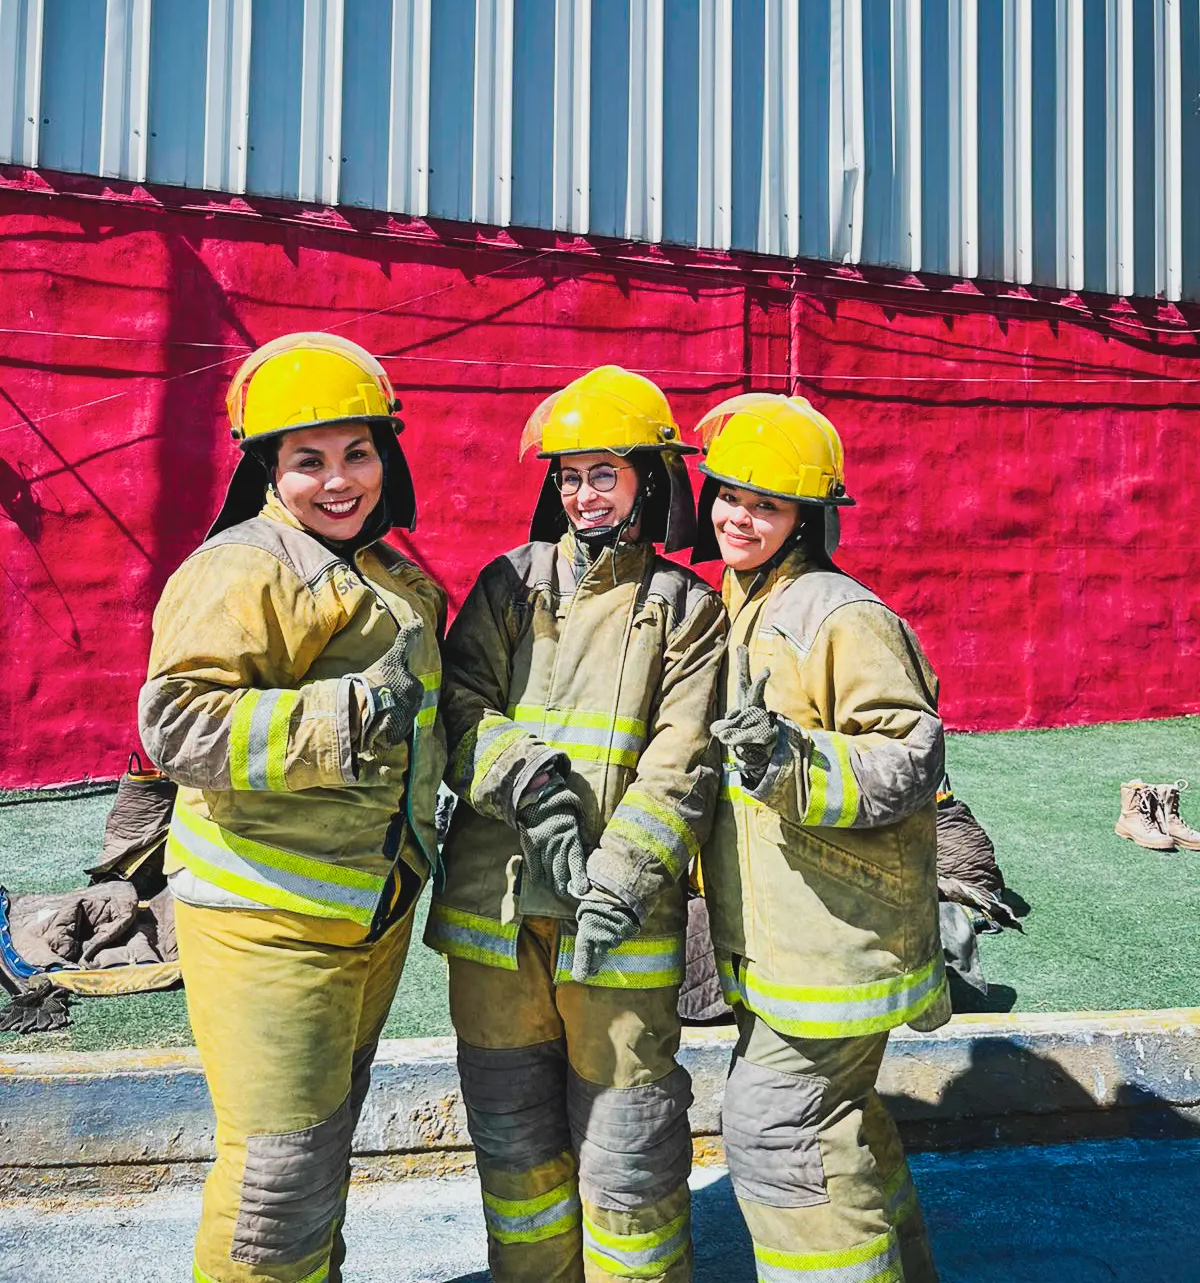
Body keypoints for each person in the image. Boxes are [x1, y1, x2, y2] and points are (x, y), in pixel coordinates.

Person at [139, 331, 446, 1283]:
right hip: (267, 917)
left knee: (318, 1154)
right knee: (275, 1180)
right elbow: (178, 724)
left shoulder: (382, 570)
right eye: (308, 460)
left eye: (358, 452)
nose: (339, 480)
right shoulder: (246, 567)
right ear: (268, 469)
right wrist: (347, 715)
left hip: (365, 909)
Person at [425, 366, 728, 1283]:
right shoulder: (509, 584)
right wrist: (527, 783)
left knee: (629, 1156)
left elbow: (684, 763)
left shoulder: (687, 611)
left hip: (617, 928)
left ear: (648, 482)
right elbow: (459, 706)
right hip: (496, 918)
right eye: (569, 476)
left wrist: (621, 879)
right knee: (515, 1156)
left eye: (604, 474)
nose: (583, 494)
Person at [694, 393, 948, 1283]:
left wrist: (788, 760)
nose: (740, 518)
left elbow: (911, 754)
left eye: (766, 505)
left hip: (839, 938)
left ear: (807, 517)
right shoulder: (739, 599)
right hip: (789, 938)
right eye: (730, 496)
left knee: (779, 1131)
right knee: (841, 1122)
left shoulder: (837, 614)